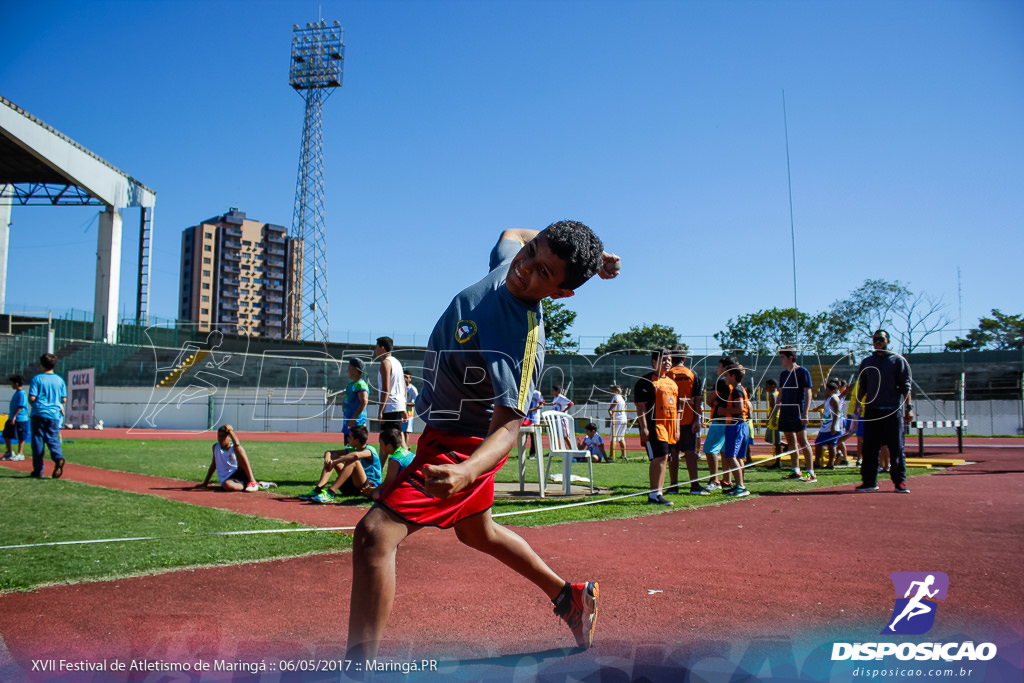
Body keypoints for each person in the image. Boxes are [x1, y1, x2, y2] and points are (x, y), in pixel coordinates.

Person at [347, 221, 617, 661]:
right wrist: (597, 254)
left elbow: (510, 427)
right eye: (533, 253)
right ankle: (571, 597)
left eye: (545, 273)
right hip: (443, 433)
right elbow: (515, 230)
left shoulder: (521, 340)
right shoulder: (511, 261)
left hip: (465, 446)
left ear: (561, 293)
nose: (526, 270)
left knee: (374, 535)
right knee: (479, 532)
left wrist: (466, 471)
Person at [855, 330, 913, 493]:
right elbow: (863, 385)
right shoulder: (867, 361)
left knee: (896, 448)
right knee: (869, 449)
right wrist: (858, 405)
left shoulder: (897, 361)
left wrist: (909, 408)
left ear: (888, 340)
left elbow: (906, 387)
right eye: (875, 339)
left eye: (881, 339)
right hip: (872, 411)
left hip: (892, 411)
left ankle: (899, 482)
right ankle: (869, 482)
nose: (877, 342)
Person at [299, 424, 382, 503]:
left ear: (356, 440)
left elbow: (355, 455)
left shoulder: (370, 450)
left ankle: (331, 492)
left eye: (350, 437)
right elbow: (329, 452)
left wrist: (335, 462)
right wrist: (328, 460)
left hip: (368, 487)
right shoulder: (353, 448)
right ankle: (317, 489)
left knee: (354, 461)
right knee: (333, 456)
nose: (347, 439)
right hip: (353, 485)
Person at [634, 348, 675, 505]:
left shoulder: (671, 383)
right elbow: (641, 407)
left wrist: (676, 428)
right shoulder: (645, 382)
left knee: (665, 458)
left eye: (669, 360)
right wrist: (643, 427)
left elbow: (676, 407)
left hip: (669, 428)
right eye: (664, 360)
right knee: (659, 457)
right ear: (654, 362)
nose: (667, 363)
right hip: (654, 426)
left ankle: (659, 491)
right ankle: (654, 494)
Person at [666, 345, 705, 496]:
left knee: (673, 453)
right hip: (688, 419)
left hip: (670, 420)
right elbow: (698, 400)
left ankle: (673, 486)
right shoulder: (692, 374)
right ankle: (694, 485)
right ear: (684, 358)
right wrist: (697, 419)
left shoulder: (667, 374)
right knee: (690, 453)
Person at [772, 346, 814, 482]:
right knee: (791, 441)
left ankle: (810, 473)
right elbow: (781, 395)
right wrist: (775, 414)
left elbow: (808, 392)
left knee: (803, 441)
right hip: (785, 411)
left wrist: (805, 413)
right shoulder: (783, 374)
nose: (781, 360)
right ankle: (796, 470)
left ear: (791, 357)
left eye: (783, 357)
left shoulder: (803, 372)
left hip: (797, 411)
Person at [28, 353, 66, 479]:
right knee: (53, 438)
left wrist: (34, 403)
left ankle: (38, 470)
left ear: (42, 364)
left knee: (38, 441)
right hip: (54, 414)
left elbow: (32, 397)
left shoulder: (37, 379)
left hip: (39, 412)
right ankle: (58, 457)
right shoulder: (60, 380)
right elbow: (64, 399)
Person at [702, 355, 737, 491]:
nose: (717, 368)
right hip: (731, 420)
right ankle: (726, 480)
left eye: (719, 366)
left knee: (710, 449)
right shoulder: (735, 382)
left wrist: (715, 403)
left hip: (720, 420)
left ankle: (714, 479)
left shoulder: (721, 381)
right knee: (724, 451)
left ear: (725, 368)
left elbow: (710, 400)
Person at [199, 424, 268, 492]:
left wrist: (230, 431)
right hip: (229, 479)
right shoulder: (215, 447)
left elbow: (237, 444)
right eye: (219, 436)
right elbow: (214, 465)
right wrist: (205, 483)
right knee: (227, 485)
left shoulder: (233, 448)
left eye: (223, 436)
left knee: (239, 449)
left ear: (229, 437)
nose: (221, 439)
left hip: (239, 473)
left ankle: (252, 482)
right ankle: (256, 484)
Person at [349, 427, 411, 501]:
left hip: (409, 489)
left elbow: (388, 483)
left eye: (381, 444)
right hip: (417, 485)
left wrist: (373, 490)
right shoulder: (405, 452)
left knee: (376, 495)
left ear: (389, 446)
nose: (380, 447)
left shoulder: (395, 460)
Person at [720, 364, 751, 497]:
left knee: (731, 456)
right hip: (740, 426)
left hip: (735, 426)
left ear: (733, 376)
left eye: (727, 375)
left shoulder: (737, 390)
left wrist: (723, 411)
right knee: (738, 457)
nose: (725, 377)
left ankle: (741, 486)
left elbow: (738, 409)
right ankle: (739, 484)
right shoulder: (739, 389)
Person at [375, 337, 407, 438]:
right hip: (398, 406)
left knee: (386, 442)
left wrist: (380, 411)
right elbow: (404, 387)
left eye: (376, 347)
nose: (375, 350)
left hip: (390, 408)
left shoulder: (385, 363)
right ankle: (409, 453)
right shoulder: (397, 363)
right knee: (398, 440)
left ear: (382, 348)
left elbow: (386, 388)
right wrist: (403, 407)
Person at [813, 379, 843, 471]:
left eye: (827, 390)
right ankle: (830, 464)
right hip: (828, 425)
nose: (825, 392)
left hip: (829, 426)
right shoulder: (830, 398)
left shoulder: (834, 398)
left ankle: (818, 463)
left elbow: (837, 411)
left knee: (819, 443)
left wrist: (834, 426)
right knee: (831, 444)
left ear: (833, 391)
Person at [341, 358, 370, 446]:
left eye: (349, 368)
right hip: (348, 420)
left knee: (356, 448)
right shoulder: (350, 384)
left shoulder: (361, 385)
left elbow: (364, 402)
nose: (347, 371)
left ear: (356, 370)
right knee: (348, 446)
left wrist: (354, 418)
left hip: (357, 423)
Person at [2, 375, 30, 461]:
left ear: (17, 384)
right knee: (6, 434)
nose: (11, 385)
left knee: (21, 436)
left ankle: (20, 453)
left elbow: (20, 406)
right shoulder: (17, 393)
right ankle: (9, 451)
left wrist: (14, 416)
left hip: (20, 418)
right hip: (12, 417)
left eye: (12, 383)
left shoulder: (22, 393)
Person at [762, 378, 783, 467]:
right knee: (769, 438)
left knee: (776, 442)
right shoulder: (776, 394)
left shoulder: (773, 395)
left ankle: (778, 461)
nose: (766, 388)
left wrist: (771, 418)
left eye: (767, 386)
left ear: (773, 386)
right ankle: (786, 446)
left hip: (775, 418)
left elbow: (774, 407)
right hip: (775, 418)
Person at [607, 385, 627, 460]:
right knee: (621, 437)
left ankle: (611, 455)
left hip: (617, 417)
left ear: (617, 391)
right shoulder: (622, 398)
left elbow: (616, 401)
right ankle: (623, 455)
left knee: (613, 437)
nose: (611, 392)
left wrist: (610, 409)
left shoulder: (616, 397)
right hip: (623, 417)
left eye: (612, 390)